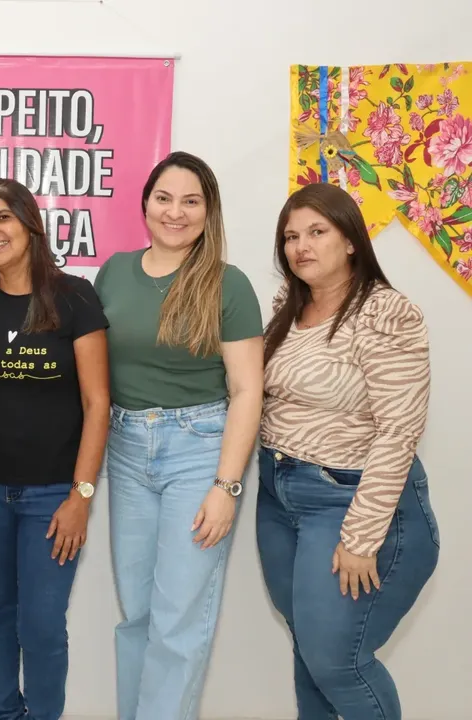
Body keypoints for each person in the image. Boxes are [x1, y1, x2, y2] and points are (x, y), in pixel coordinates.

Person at [257, 182, 439, 720]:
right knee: (309, 650)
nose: (301, 247)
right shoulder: (287, 308)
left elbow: (399, 431)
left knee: (337, 662)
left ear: (352, 240)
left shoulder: (386, 312)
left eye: (317, 232)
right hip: (278, 496)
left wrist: (361, 539)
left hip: (349, 503)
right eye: (291, 236)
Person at [93, 151, 263, 720]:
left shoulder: (228, 284)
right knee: (137, 615)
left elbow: (247, 390)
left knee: (177, 620)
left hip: (199, 450)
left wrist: (227, 486)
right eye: (164, 198)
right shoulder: (115, 271)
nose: (175, 212)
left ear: (208, 211)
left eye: (191, 201)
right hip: (126, 449)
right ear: (145, 204)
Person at [0, 178, 110, 720]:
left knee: (42, 624)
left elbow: (97, 403)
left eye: (2, 218)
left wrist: (81, 497)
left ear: (30, 223)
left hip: (53, 495)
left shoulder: (74, 297)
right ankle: (6, 713)